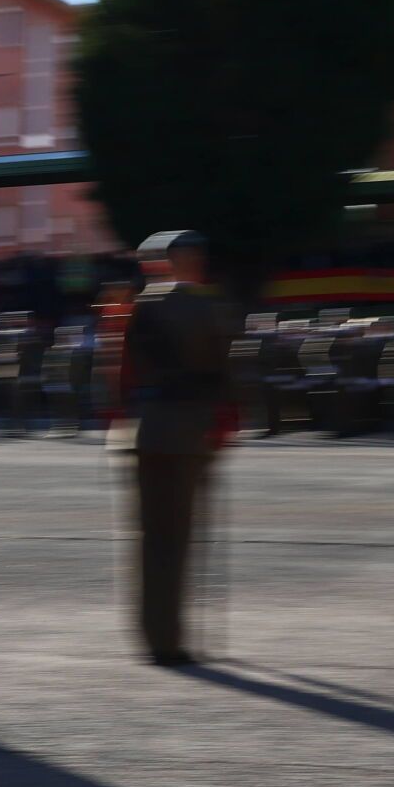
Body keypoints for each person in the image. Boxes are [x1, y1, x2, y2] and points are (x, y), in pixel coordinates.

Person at [108, 231, 236, 667]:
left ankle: (156, 635)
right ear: (195, 261)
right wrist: (224, 426)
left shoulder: (140, 305)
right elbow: (226, 373)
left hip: (147, 428)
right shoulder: (210, 307)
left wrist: (124, 419)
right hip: (191, 428)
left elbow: (122, 373)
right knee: (178, 538)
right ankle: (172, 641)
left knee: (151, 539)